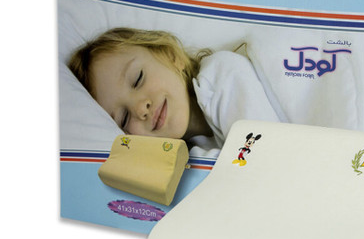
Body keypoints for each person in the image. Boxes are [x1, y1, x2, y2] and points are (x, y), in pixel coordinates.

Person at [68, 27, 280, 149]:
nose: (141, 108)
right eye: (123, 119)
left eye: (138, 79)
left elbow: (265, 154)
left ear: (171, 56)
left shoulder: (221, 74)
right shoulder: (193, 148)